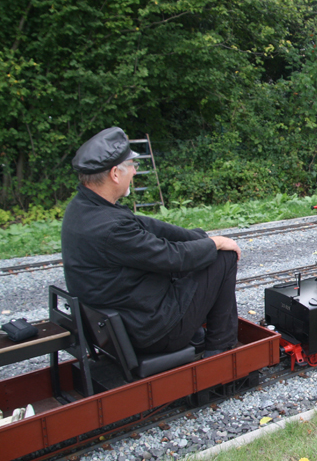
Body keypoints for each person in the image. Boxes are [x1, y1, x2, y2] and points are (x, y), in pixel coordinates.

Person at [61, 127, 242, 358]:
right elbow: (174, 257)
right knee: (224, 258)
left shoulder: (83, 208)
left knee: (202, 251)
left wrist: (199, 237)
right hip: (149, 331)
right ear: (115, 173)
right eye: (131, 166)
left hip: (120, 320)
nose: (134, 173)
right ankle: (221, 348)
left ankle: (200, 333)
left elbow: (148, 226)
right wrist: (215, 244)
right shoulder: (111, 228)